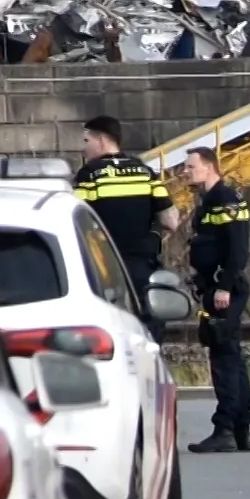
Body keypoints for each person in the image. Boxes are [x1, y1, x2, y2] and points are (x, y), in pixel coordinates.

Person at [72, 115, 177, 342]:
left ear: (101, 140)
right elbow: (171, 220)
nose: (84, 148)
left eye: (86, 141)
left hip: (107, 266)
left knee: (115, 330)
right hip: (143, 264)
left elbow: (76, 222)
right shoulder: (145, 172)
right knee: (149, 329)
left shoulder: (89, 175)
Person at [181, 146, 250, 453]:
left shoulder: (227, 199)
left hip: (225, 288)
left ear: (209, 167)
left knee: (224, 359)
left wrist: (223, 286)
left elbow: (237, 248)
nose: (185, 172)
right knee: (231, 357)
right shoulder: (209, 202)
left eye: (190, 167)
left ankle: (225, 428)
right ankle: (240, 429)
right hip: (213, 286)